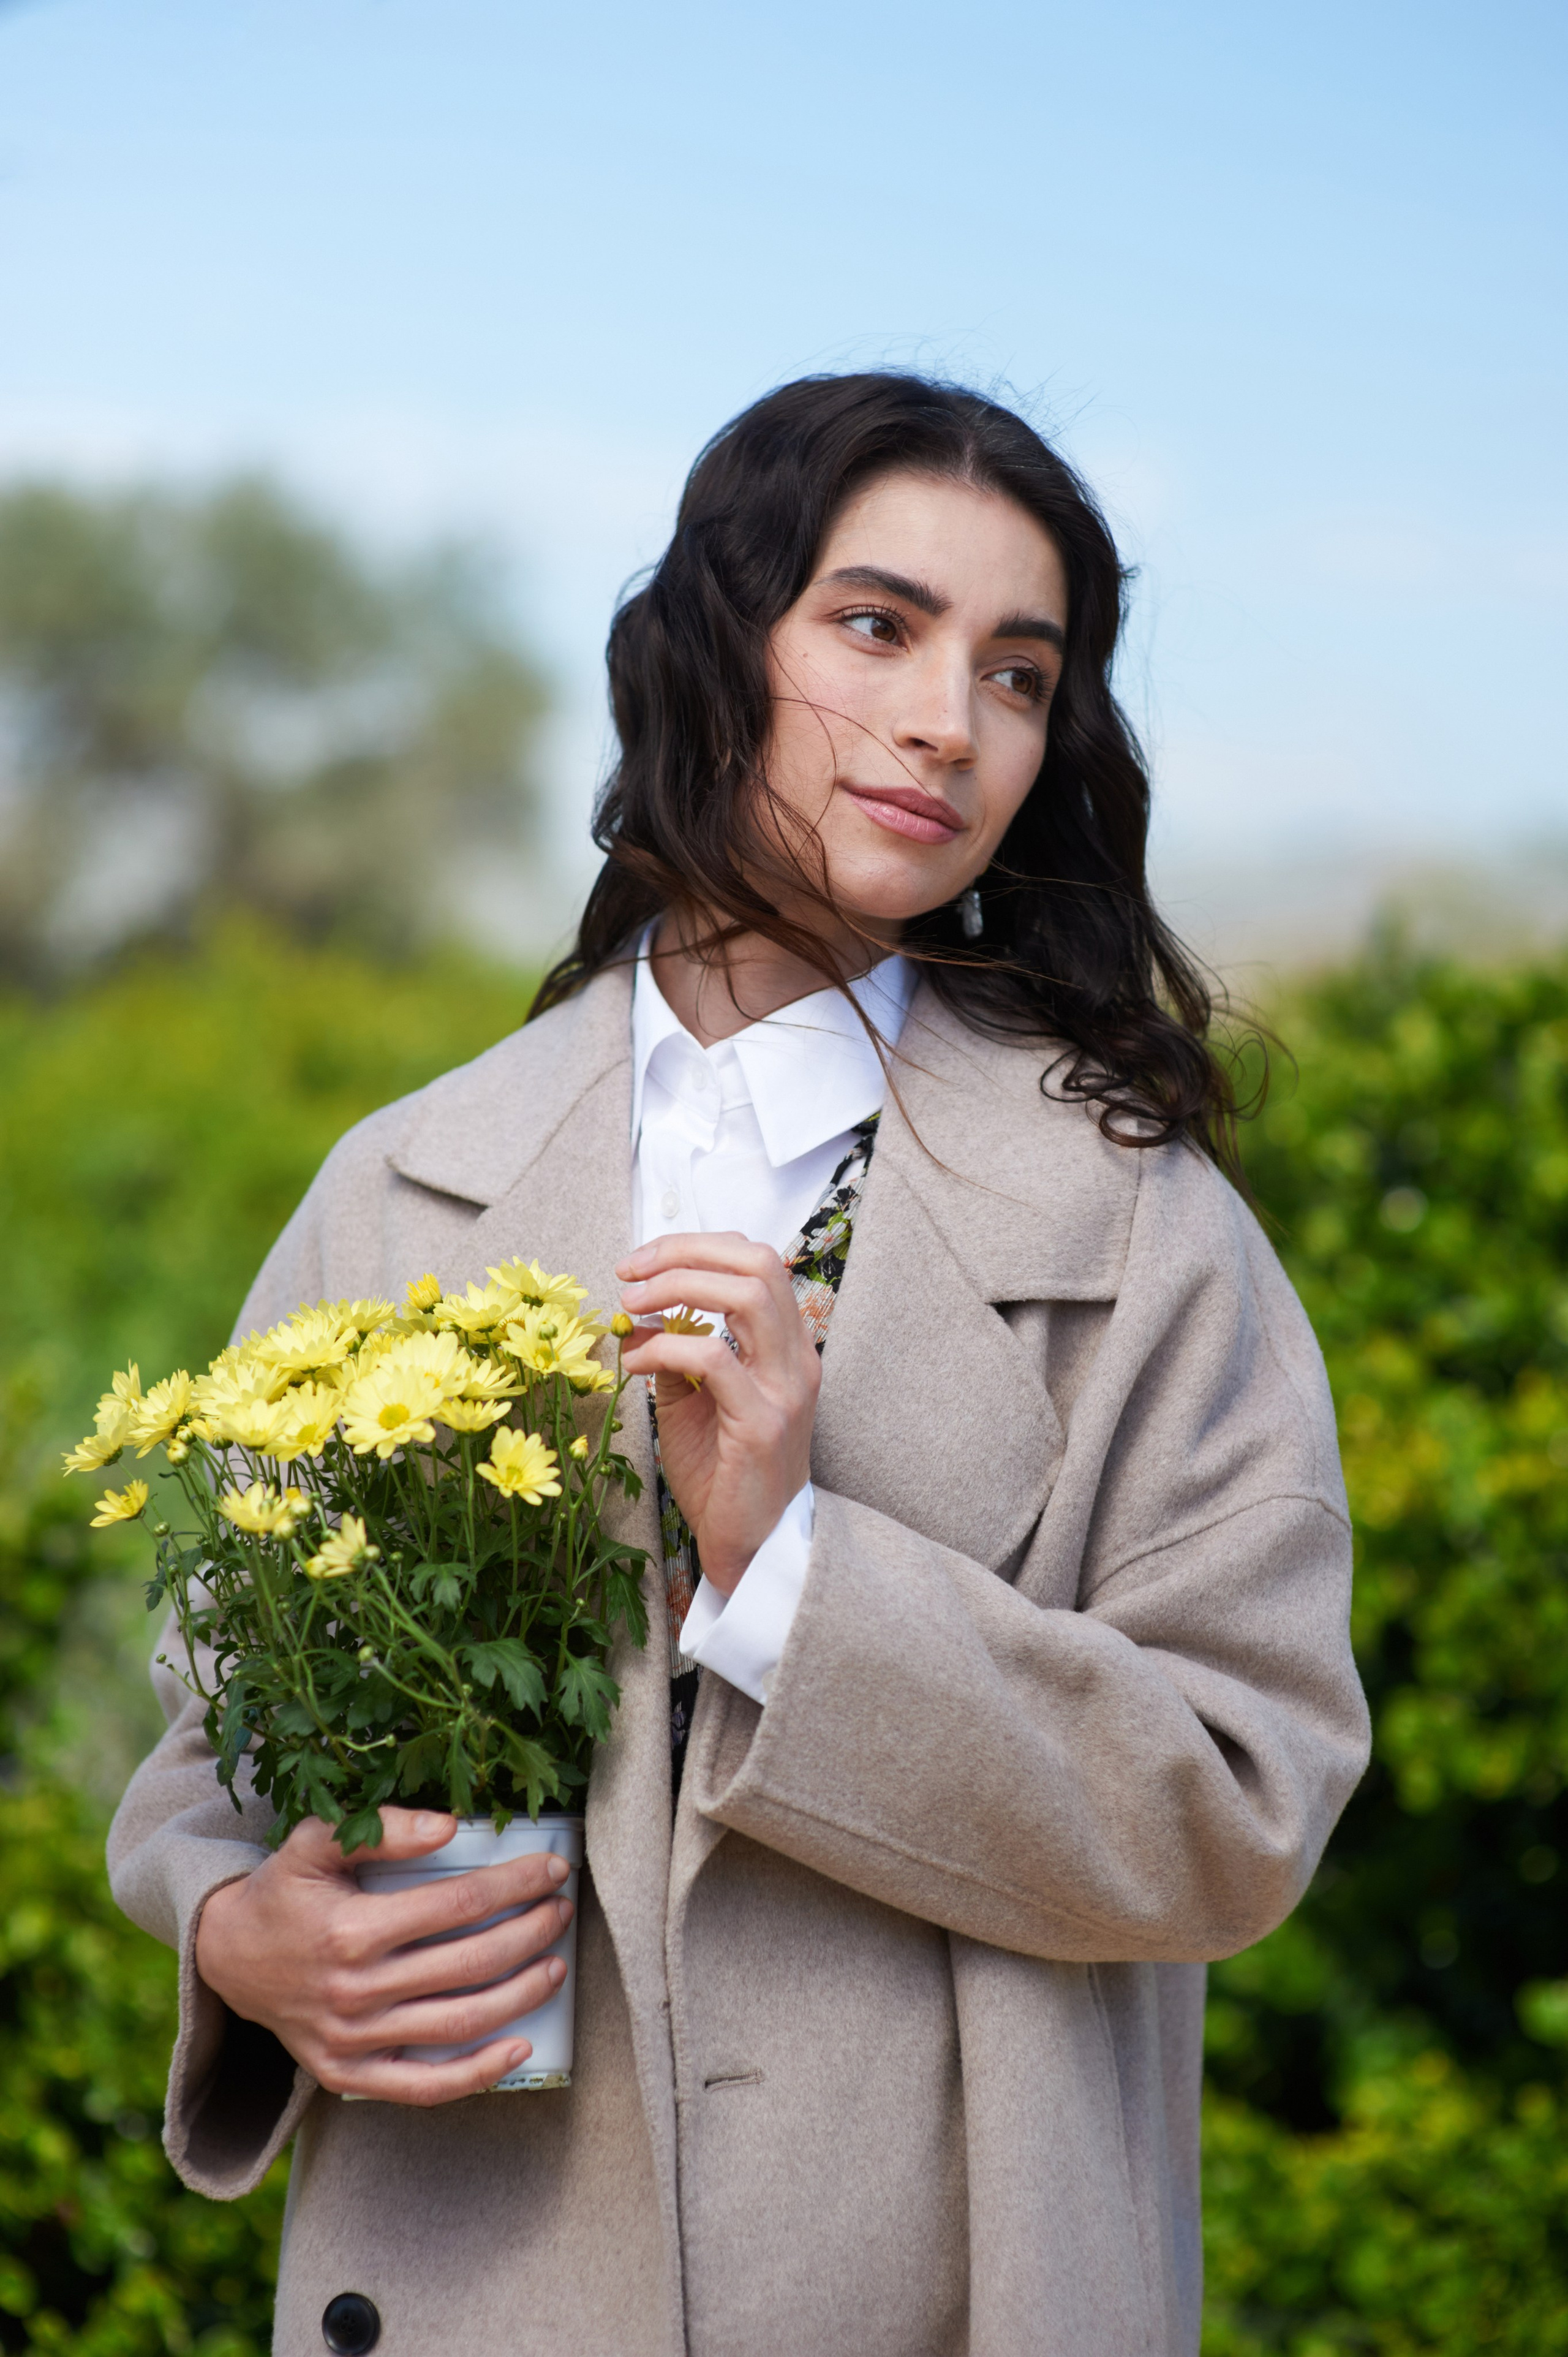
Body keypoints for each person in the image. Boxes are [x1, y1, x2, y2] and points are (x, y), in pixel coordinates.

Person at [108, 373, 1370, 2357]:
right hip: (470, 2276)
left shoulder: (1142, 1235)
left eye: (1021, 676)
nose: (949, 724)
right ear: (720, 647)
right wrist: (233, 1930)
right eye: (878, 628)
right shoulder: (404, 1186)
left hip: (951, 2291)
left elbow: (1246, 1799)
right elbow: (213, 1743)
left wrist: (789, 1572)